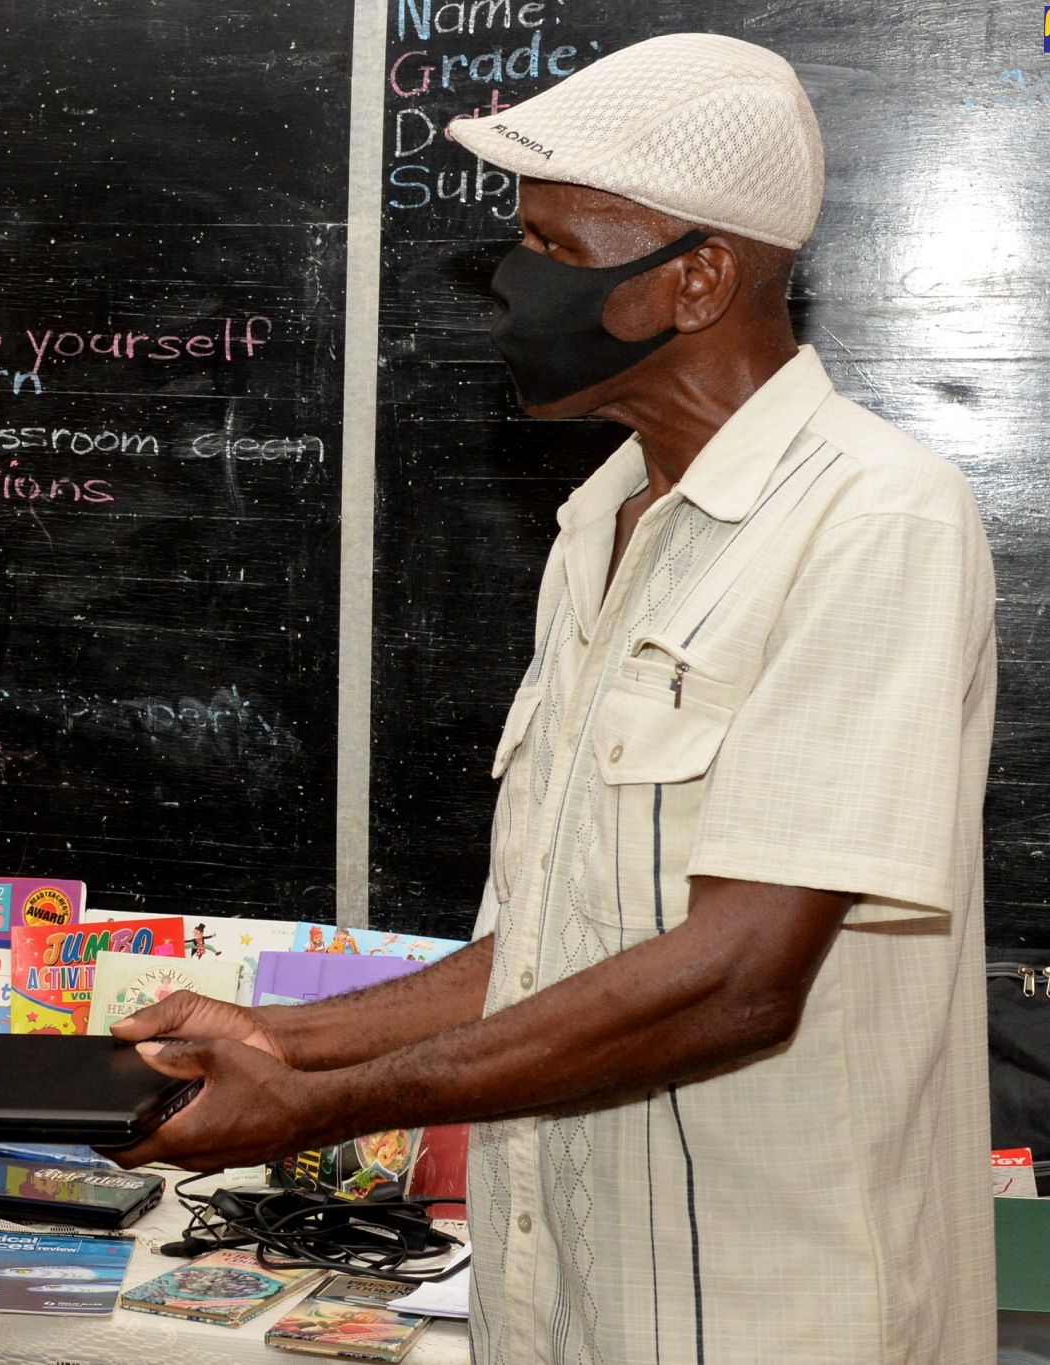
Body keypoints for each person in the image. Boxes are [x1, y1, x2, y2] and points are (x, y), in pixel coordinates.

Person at [111, 33, 996, 1364]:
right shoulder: (602, 526)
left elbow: (738, 980)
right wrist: (280, 1035)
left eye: (557, 255)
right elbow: (555, 950)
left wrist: (316, 1104)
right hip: (564, 1308)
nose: (514, 290)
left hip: (767, 1317)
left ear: (698, 278)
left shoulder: (876, 521)